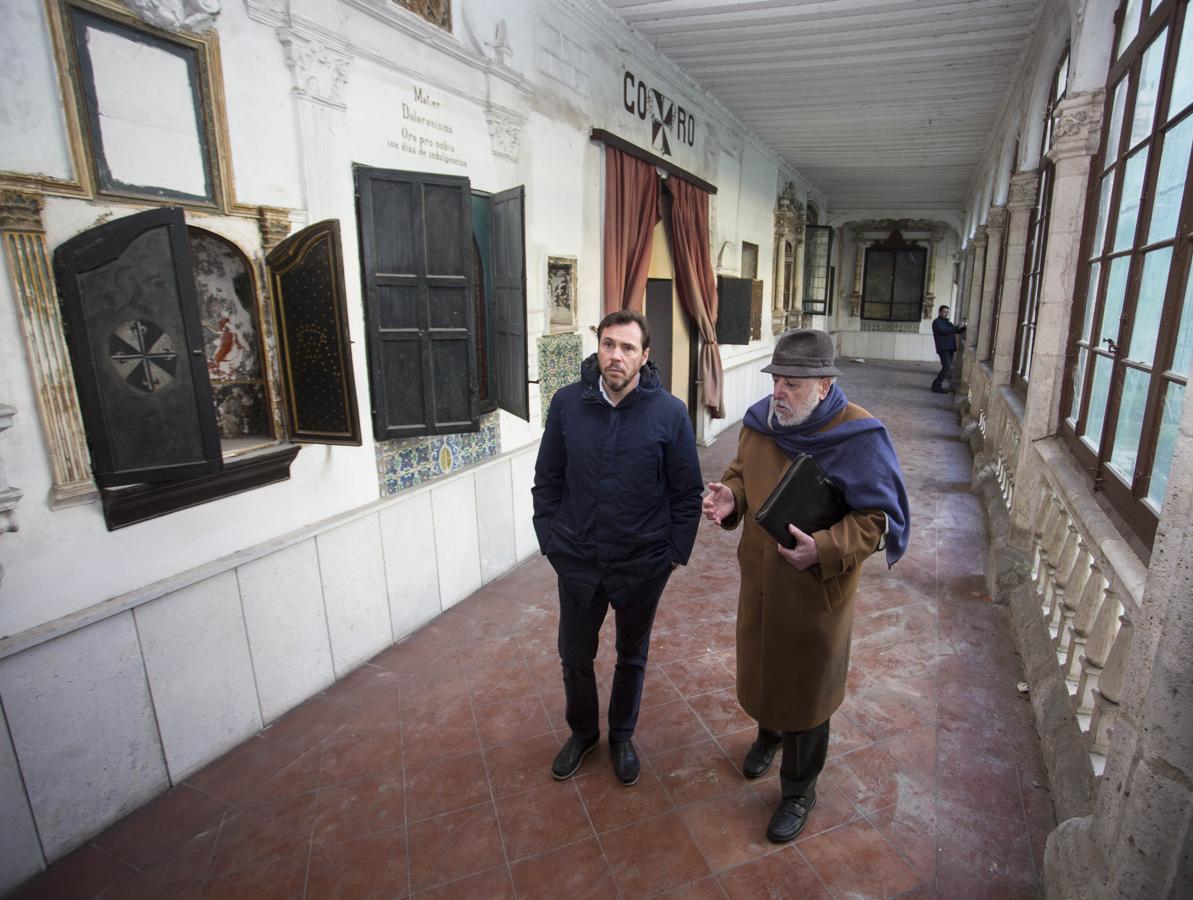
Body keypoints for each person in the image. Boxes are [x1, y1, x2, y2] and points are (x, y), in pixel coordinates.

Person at [702, 329, 909, 843]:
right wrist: (729, 498)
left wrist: (825, 549)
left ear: (823, 386)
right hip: (762, 586)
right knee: (765, 668)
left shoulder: (858, 435)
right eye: (776, 382)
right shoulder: (760, 425)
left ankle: (799, 789)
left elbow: (879, 519)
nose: (778, 394)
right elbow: (739, 475)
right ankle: (768, 736)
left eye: (792, 385)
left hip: (817, 593)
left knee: (807, 692)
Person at [533, 309, 703, 786]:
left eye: (628, 348)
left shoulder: (668, 412)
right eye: (609, 344)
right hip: (579, 561)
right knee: (574, 654)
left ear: (645, 357)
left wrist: (673, 554)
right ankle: (584, 732)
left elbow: (686, 491)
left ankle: (622, 735)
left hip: (642, 563)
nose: (616, 355)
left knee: (632, 655)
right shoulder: (568, 404)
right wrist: (550, 539)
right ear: (598, 347)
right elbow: (547, 479)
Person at [931, 305, 967, 393]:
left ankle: (936, 384)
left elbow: (956, 330)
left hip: (950, 348)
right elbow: (944, 330)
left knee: (947, 367)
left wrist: (963, 326)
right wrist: (956, 327)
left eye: (947, 312)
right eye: (944, 312)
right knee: (946, 366)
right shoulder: (937, 322)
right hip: (943, 348)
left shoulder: (948, 323)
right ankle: (936, 385)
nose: (946, 314)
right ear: (940, 312)